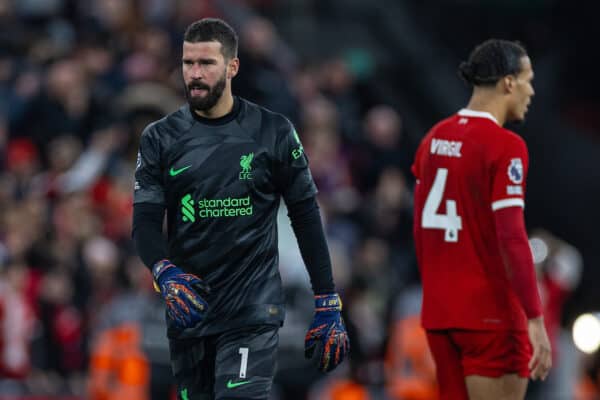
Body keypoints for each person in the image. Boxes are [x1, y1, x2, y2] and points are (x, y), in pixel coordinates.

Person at [131, 18, 349, 400]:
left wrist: (326, 298)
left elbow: (306, 215)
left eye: (206, 64)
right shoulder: (160, 138)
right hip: (190, 309)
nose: (194, 74)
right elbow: (145, 221)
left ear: (232, 67)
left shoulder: (273, 132)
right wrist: (163, 272)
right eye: (188, 63)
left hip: (252, 307)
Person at [411, 39, 552, 400]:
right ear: (508, 83)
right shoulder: (506, 146)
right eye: (528, 79)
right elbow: (512, 236)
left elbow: (420, 230)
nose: (532, 91)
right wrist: (536, 319)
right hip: (491, 318)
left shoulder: (433, 139)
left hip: (440, 315)